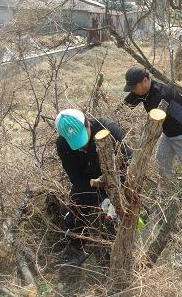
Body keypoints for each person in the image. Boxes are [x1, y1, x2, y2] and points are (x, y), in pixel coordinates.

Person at [122, 67, 182, 212]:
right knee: (162, 160)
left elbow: (152, 126)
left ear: (145, 81)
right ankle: (164, 194)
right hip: (169, 132)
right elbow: (126, 105)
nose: (133, 91)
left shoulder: (160, 95)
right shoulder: (142, 91)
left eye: (134, 87)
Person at [55, 109, 132, 266]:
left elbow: (129, 164)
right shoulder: (62, 145)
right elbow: (76, 178)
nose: (81, 144)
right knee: (75, 206)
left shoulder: (108, 130)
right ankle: (77, 248)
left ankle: (113, 252)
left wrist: (115, 196)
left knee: (113, 217)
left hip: (116, 181)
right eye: (74, 141)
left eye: (82, 138)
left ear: (88, 124)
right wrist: (100, 199)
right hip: (88, 182)